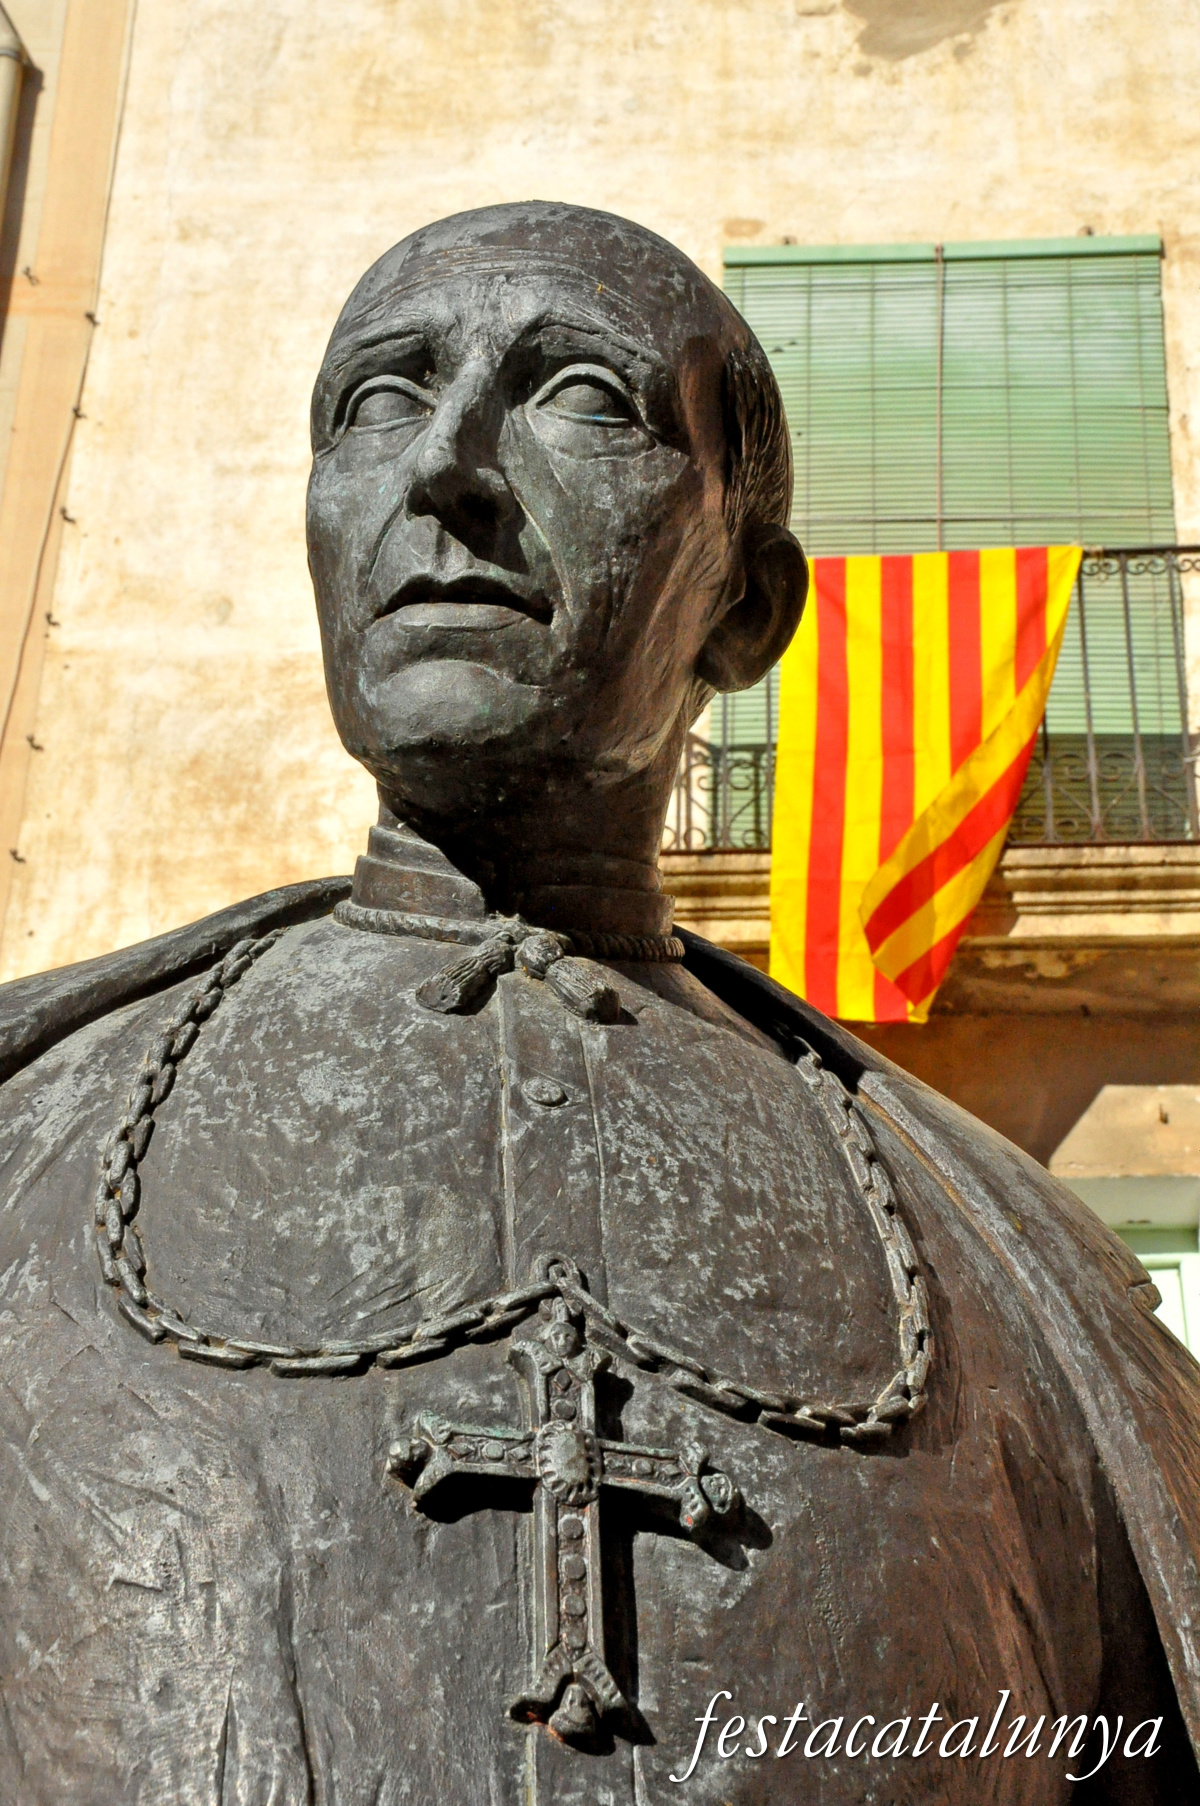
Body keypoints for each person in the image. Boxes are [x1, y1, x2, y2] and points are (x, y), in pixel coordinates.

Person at [0, 202, 1196, 1804]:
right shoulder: (33, 1128)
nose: (447, 471)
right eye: (378, 399)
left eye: (580, 396)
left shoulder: (1036, 1280)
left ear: (747, 607)